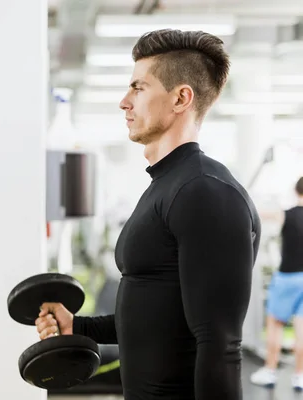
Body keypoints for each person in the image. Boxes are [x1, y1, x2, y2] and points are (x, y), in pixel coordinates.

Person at [36, 29, 261, 400]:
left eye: (139, 88)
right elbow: (156, 316)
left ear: (181, 98)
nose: (125, 102)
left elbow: (220, 346)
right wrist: (79, 326)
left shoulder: (204, 192)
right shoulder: (166, 186)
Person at [251, 177, 303, 390]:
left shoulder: (286, 214)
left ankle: (270, 371)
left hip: (287, 277)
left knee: (275, 324)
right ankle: (300, 376)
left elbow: (257, 213)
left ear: (296, 190)